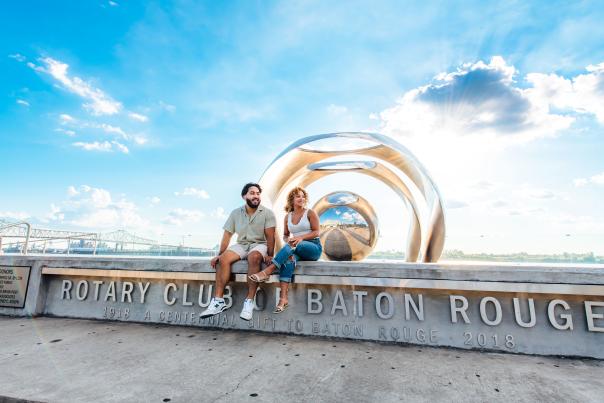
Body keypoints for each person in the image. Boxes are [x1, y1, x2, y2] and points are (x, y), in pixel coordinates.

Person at [200, 183, 276, 321]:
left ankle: (249, 302)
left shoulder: (267, 213)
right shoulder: (235, 213)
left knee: (253, 257)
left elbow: (271, 237)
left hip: (260, 244)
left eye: (258, 193)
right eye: (252, 193)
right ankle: (218, 301)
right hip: (242, 244)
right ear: (244, 196)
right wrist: (220, 254)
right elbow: (227, 235)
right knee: (223, 260)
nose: (256, 196)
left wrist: (270, 254)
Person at [248, 186, 321, 313]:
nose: (301, 198)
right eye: (298, 196)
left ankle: (268, 271)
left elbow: (316, 232)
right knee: (288, 260)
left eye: (303, 196)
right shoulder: (287, 217)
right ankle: (283, 299)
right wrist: (289, 241)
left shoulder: (310, 213)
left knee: (293, 245)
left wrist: (300, 238)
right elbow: (286, 236)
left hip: (313, 247)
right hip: (295, 248)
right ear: (292, 199)